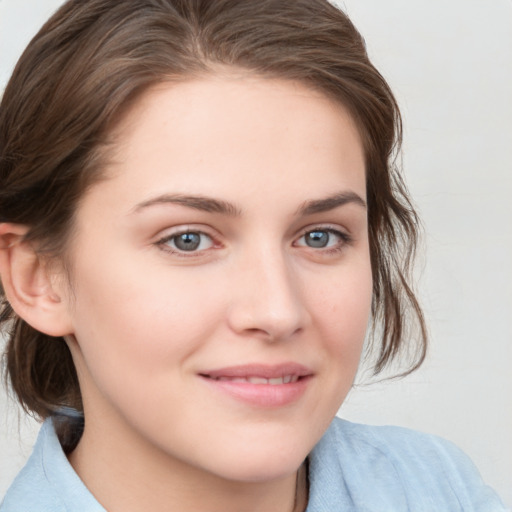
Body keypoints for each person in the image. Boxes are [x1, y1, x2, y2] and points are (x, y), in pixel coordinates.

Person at [0, 0, 507, 510]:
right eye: (187, 239)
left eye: (320, 236)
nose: (277, 311)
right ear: (37, 277)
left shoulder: (438, 490)